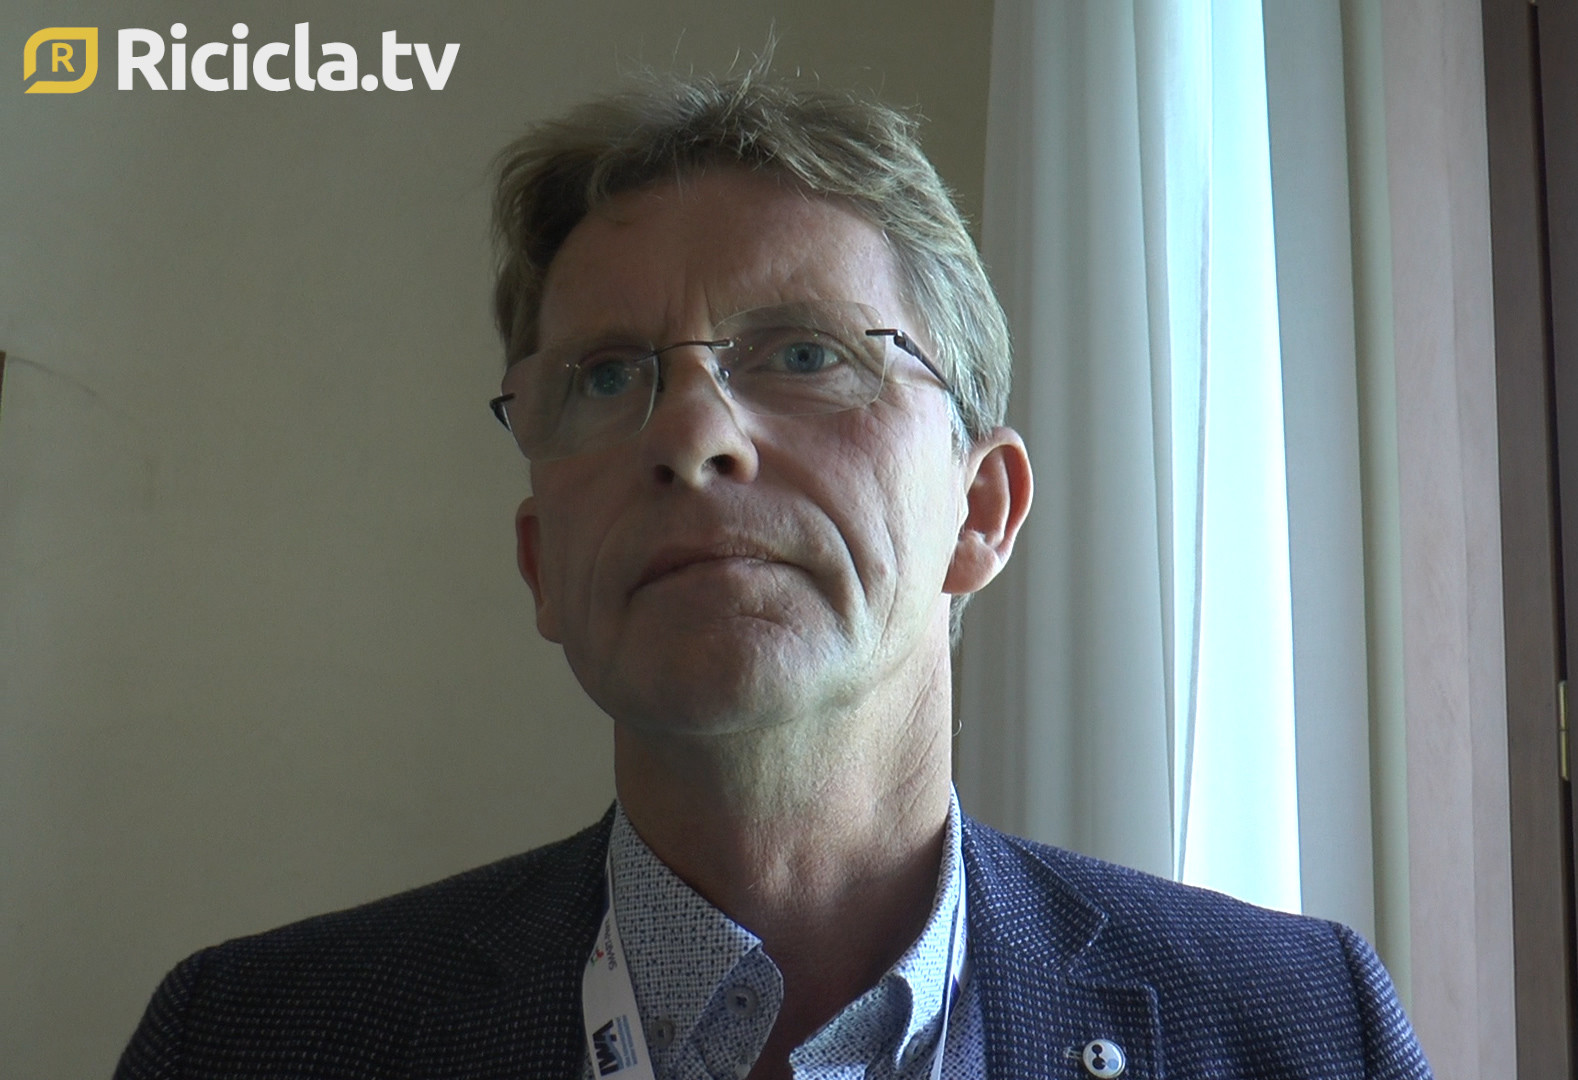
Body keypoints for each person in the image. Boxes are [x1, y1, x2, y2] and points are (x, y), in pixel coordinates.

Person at [114, 67, 1431, 1080]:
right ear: (542, 563)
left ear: (980, 511)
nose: (692, 435)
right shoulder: (245, 1042)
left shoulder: (1302, 1034)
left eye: (805, 355)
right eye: (607, 377)